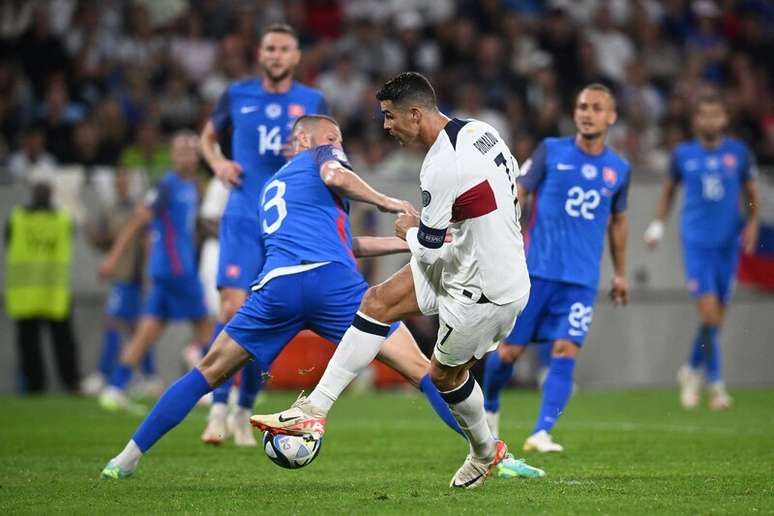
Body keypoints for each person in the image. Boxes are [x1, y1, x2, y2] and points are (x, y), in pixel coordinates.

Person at [99, 114, 469, 480]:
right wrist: (386, 201)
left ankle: (126, 458)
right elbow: (335, 176)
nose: (337, 144)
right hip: (332, 286)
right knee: (422, 370)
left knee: (208, 371)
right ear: (307, 141)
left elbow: (342, 244)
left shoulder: (274, 187)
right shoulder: (321, 160)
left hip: (278, 289)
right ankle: (488, 453)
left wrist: (405, 240)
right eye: (332, 137)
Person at [251, 73, 544, 488]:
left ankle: (484, 452)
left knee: (444, 377)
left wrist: (406, 228)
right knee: (376, 302)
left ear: (414, 112)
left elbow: (426, 248)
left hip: (485, 289)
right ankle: (313, 409)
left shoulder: (441, 166)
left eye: (389, 117)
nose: (386, 126)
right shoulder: (481, 130)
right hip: (470, 258)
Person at [198, 23, 328, 446]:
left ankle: (244, 409)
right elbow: (207, 137)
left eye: (284, 49)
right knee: (231, 311)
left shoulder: (312, 101)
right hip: (241, 217)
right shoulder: (237, 95)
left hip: (287, 223)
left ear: (296, 57)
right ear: (260, 54)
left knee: (269, 317)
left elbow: (329, 154)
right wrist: (217, 164)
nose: (276, 55)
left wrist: (308, 155)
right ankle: (217, 410)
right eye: (270, 48)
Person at [481, 83, 630, 454]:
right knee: (509, 354)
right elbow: (520, 188)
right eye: (582, 106)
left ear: (611, 117)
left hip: (581, 280)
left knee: (566, 350)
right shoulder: (551, 150)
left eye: (596, 107)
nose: (587, 113)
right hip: (536, 274)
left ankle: (541, 432)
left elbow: (619, 221)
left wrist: (621, 272)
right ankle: (489, 406)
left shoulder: (619, 169)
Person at [644, 93, 759, 410]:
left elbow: (751, 193)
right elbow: (668, 191)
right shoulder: (683, 154)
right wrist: (657, 223)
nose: (710, 120)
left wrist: (751, 223)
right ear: (696, 120)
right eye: (704, 114)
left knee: (716, 320)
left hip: (728, 245)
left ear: (724, 119)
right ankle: (718, 386)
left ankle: (691, 369)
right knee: (708, 314)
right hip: (696, 243)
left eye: (715, 114)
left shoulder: (738, 153)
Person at [97, 132, 213, 413]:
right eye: (181, 150)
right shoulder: (167, 185)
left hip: (168, 270)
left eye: (192, 150)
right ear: (172, 155)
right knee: (206, 327)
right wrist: (113, 257)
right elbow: (139, 220)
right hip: (177, 269)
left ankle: (114, 388)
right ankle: (216, 391)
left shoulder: (192, 186)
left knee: (147, 332)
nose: (188, 154)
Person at [81, 168, 158, 397]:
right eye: (118, 181)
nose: (121, 185)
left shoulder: (140, 210)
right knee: (135, 329)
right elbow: (103, 242)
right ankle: (147, 376)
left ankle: (106, 375)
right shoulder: (110, 210)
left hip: (135, 278)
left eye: (125, 181)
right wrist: (90, 230)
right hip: (121, 277)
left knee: (121, 326)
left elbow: (148, 241)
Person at [4, 178, 80, 392]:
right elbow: (73, 230)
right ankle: (70, 382)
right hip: (53, 291)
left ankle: (35, 386)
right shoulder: (63, 218)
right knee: (62, 341)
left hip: (26, 293)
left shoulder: (16, 218)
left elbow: (7, 241)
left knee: (30, 344)